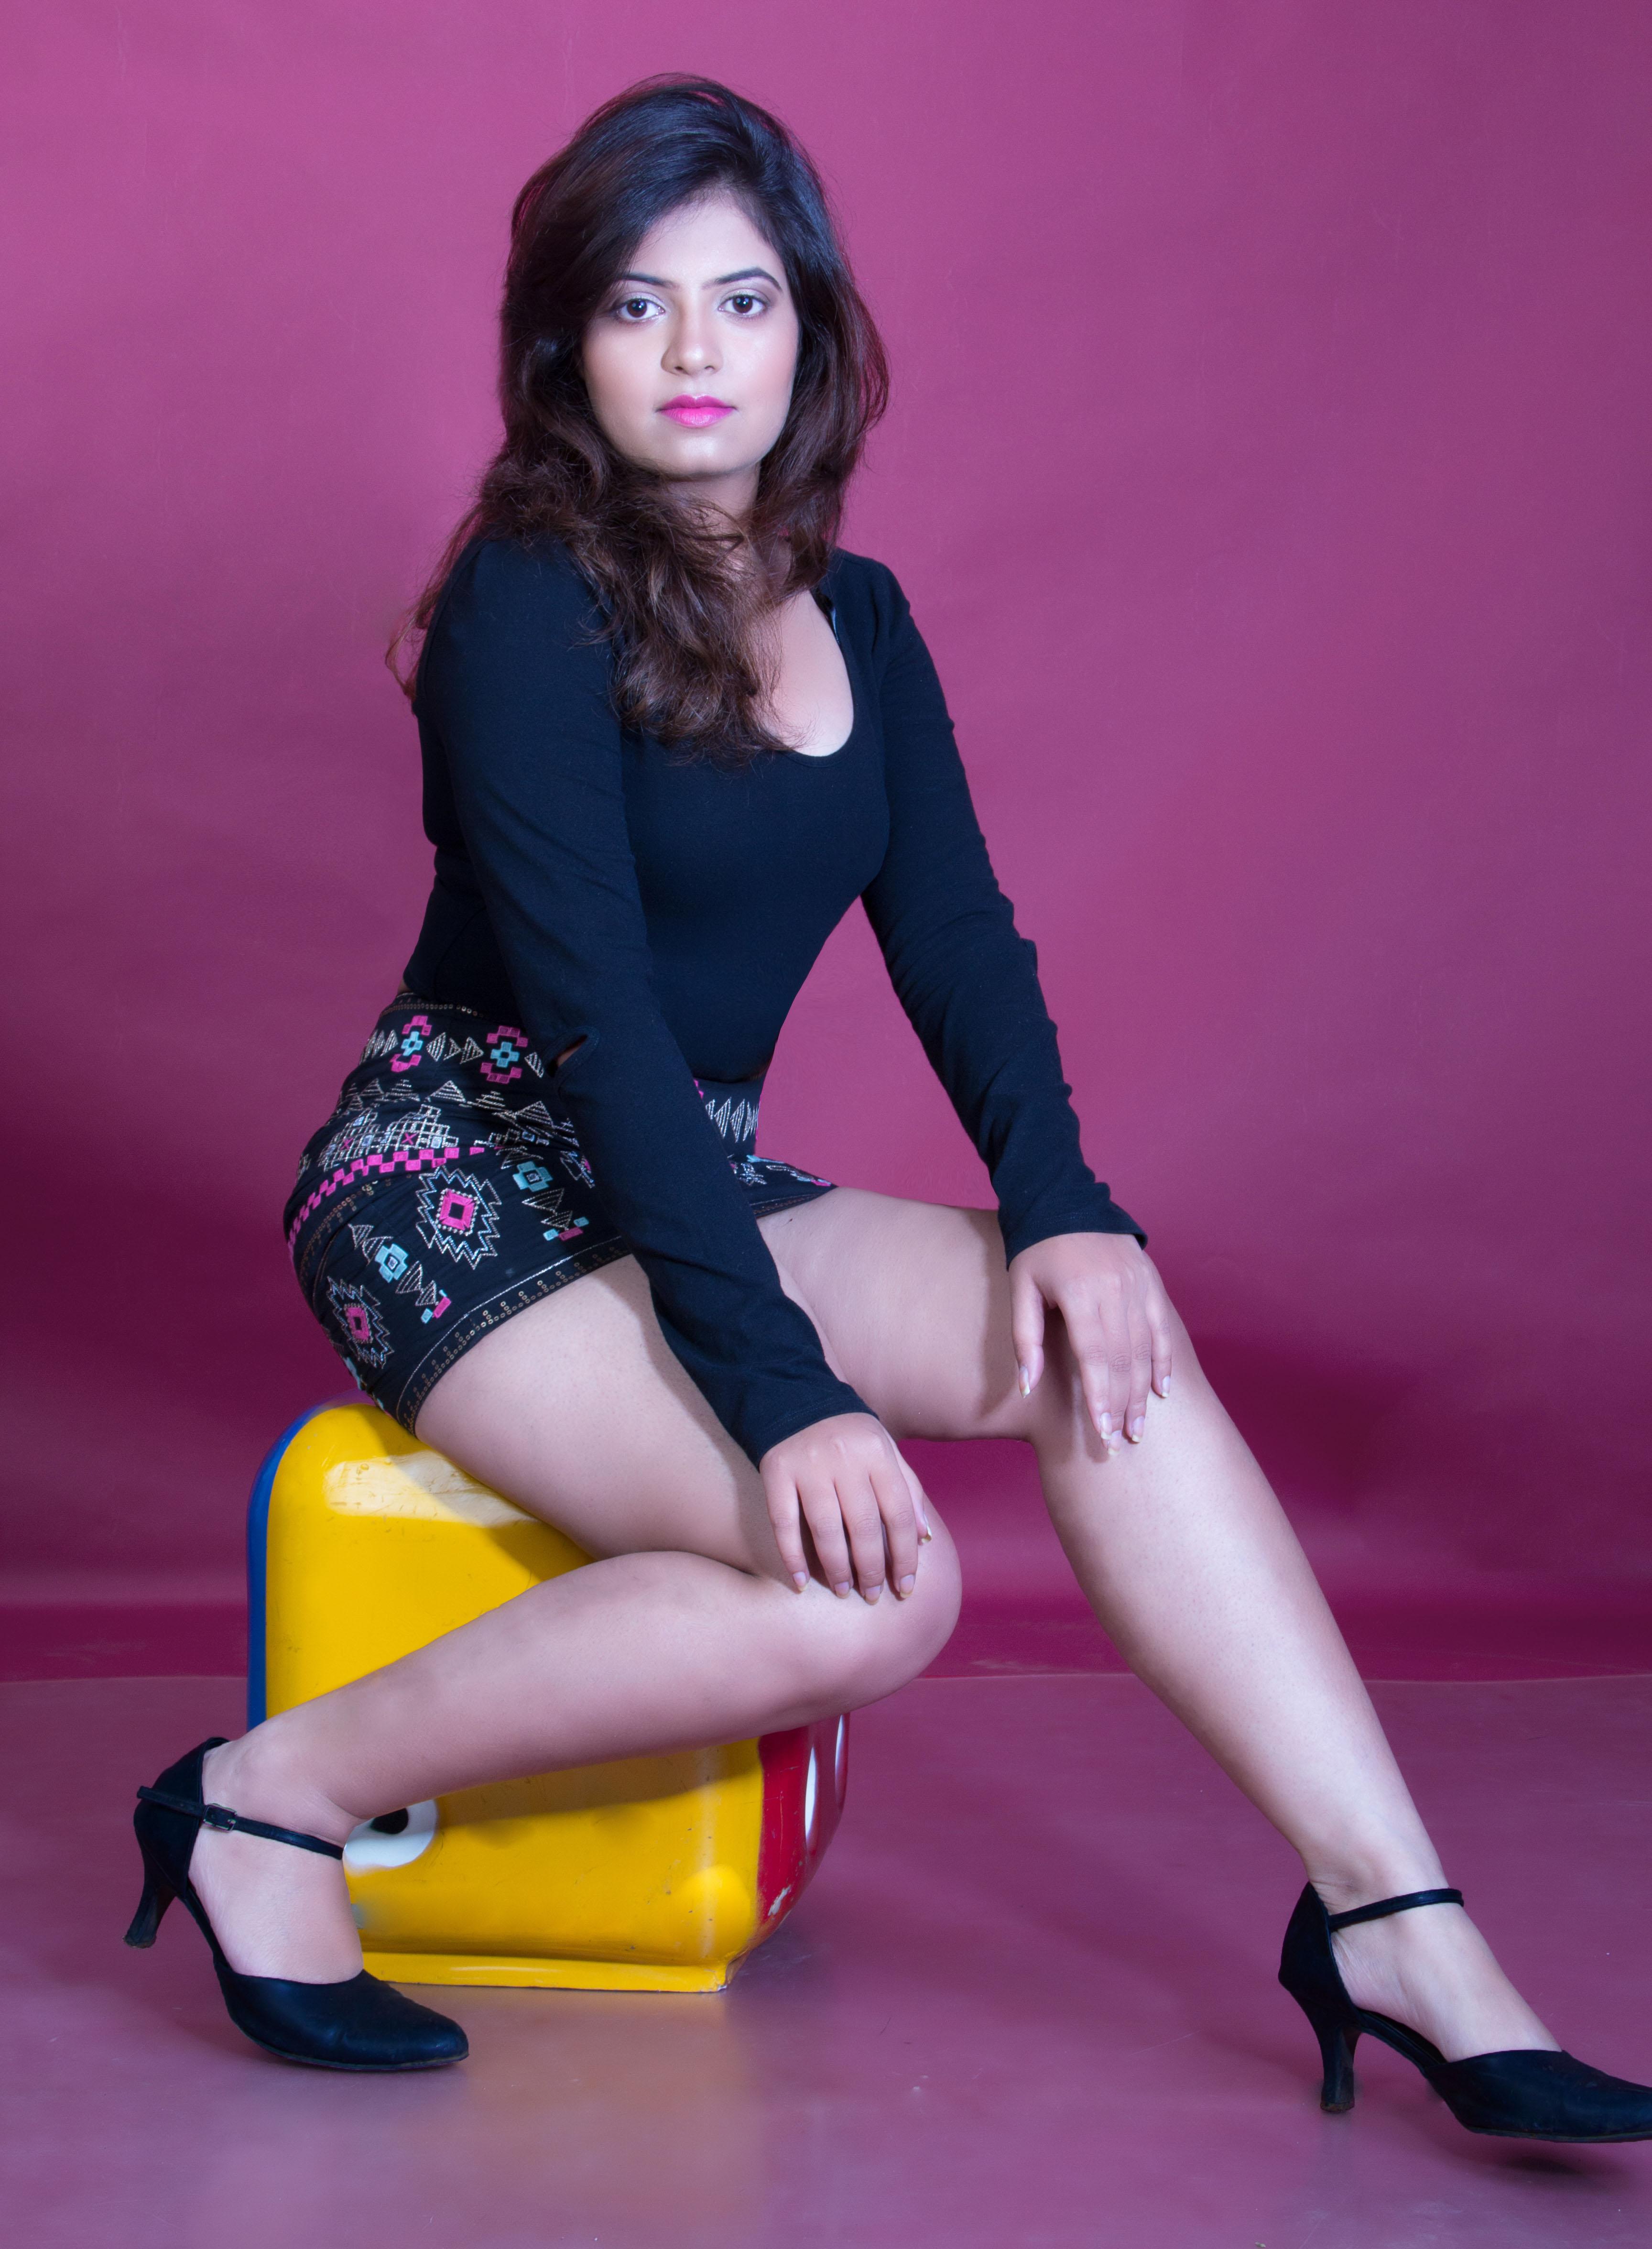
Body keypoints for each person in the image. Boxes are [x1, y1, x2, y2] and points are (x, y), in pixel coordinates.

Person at [126, 76, 1651, 2138]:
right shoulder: (524, 600)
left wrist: (1073, 1207)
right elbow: (595, 1031)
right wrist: (786, 1397)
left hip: (690, 1177)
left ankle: (1395, 1919)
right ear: (566, 345)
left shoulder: (863, 618)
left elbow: (960, 944)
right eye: (638, 304)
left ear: (811, 332)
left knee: (1102, 1332)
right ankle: (266, 1797)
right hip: (460, 1177)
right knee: (878, 1586)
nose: (693, 352)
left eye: (742, 300)